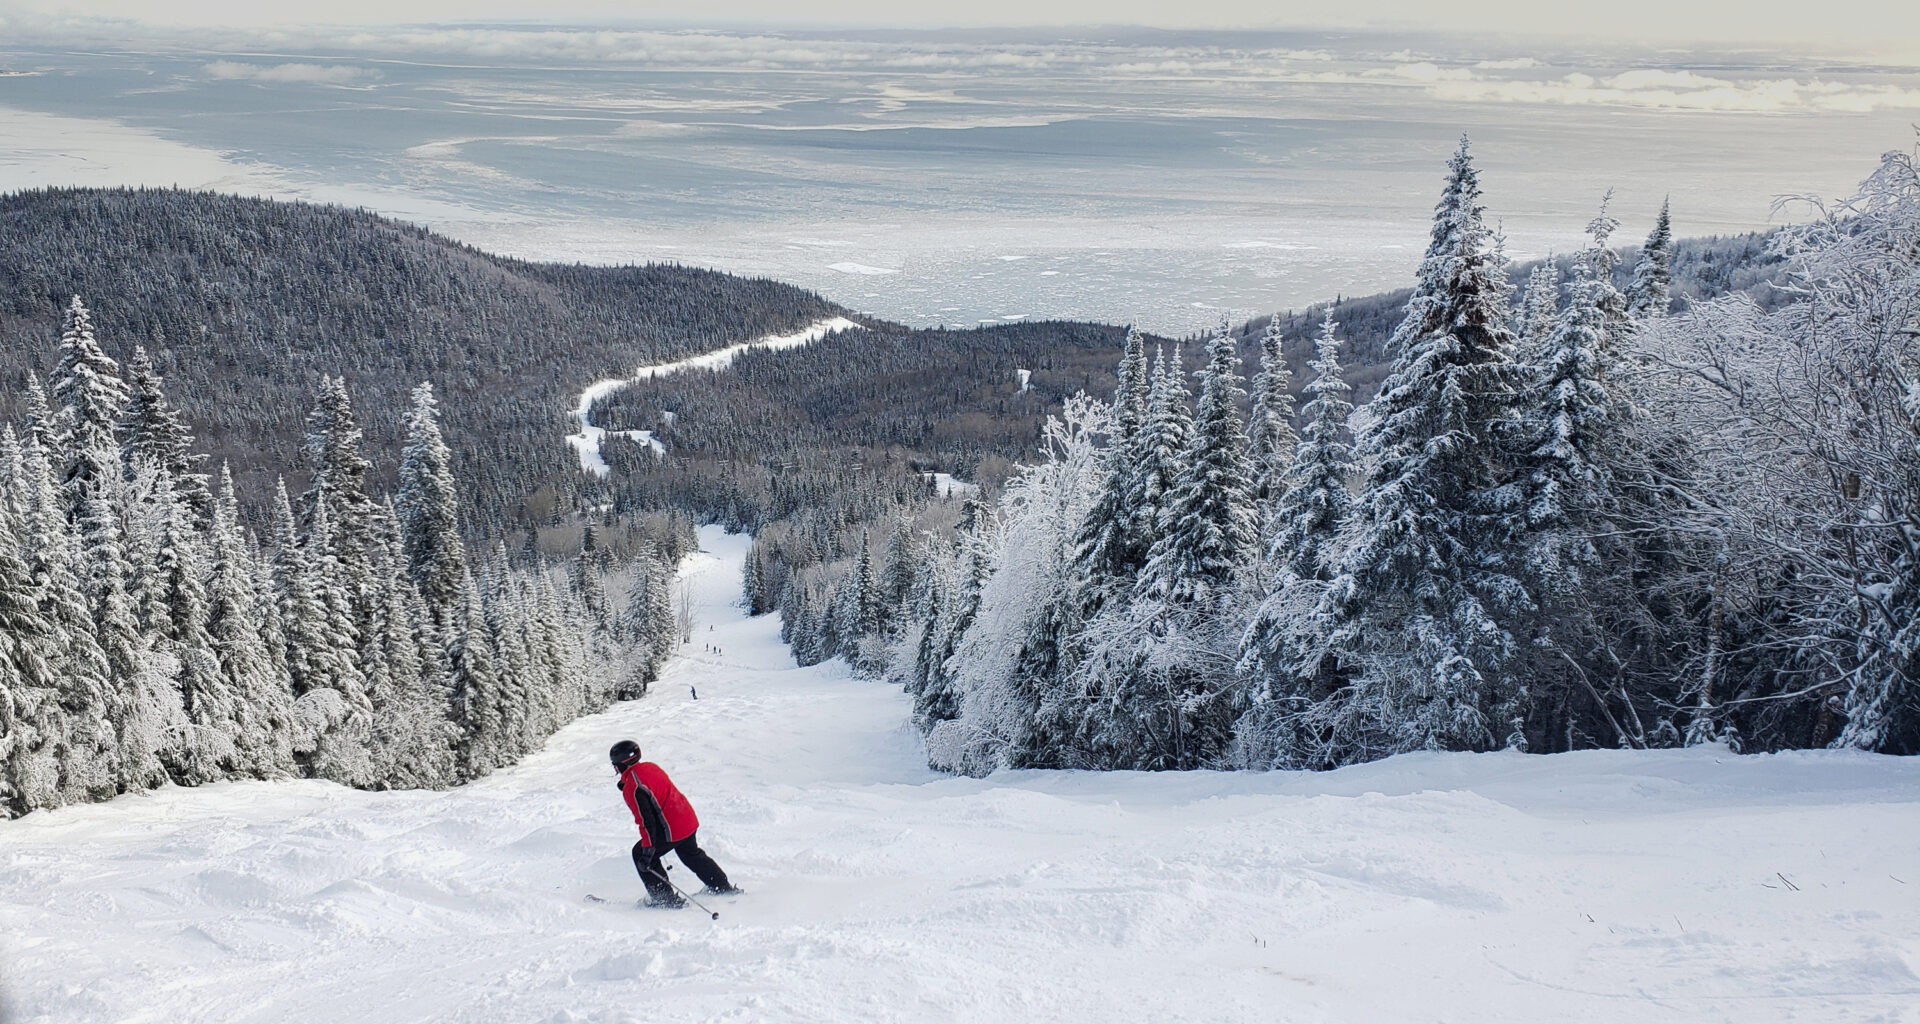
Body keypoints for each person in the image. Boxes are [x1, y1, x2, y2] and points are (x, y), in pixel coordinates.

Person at [609, 740, 738, 906]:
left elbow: (646, 821)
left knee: (641, 854)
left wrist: (648, 851)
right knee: (690, 854)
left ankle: (665, 901)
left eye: (614, 764)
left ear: (621, 765)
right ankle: (722, 886)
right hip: (687, 819)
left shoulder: (632, 787)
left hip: (672, 828)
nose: (614, 768)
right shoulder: (650, 767)